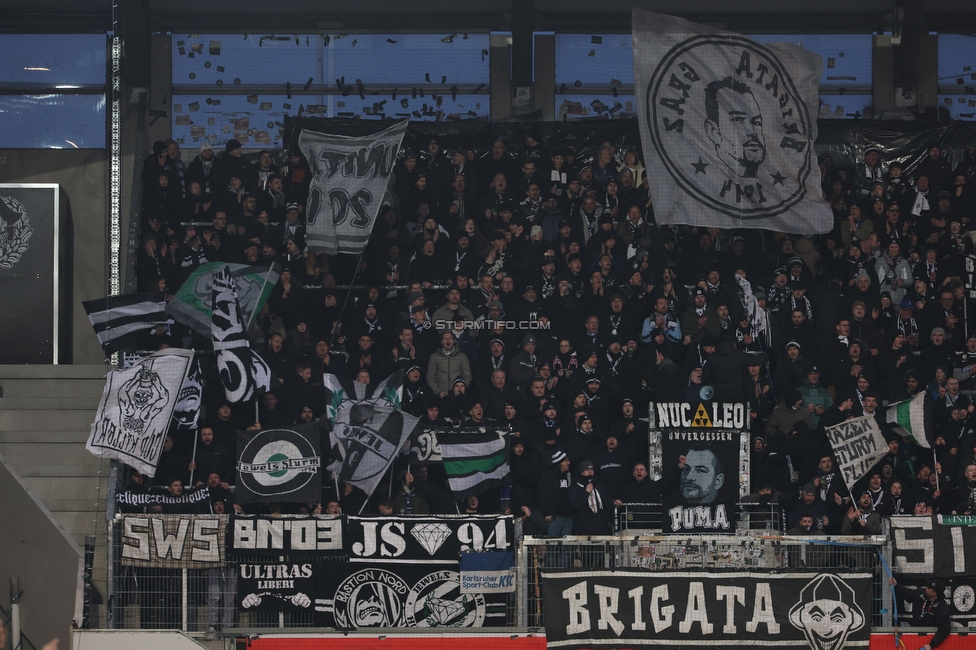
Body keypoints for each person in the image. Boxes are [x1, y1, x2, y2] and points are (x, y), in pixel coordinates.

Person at [889, 577, 952, 650]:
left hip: (928, 642)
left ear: (934, 593)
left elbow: (944, 629)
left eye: (928, 588)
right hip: (915, 637)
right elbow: (908, 593)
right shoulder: (920, 593)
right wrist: (897, 585)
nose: (925, 588)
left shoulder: (942, 608)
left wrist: (931, 644)